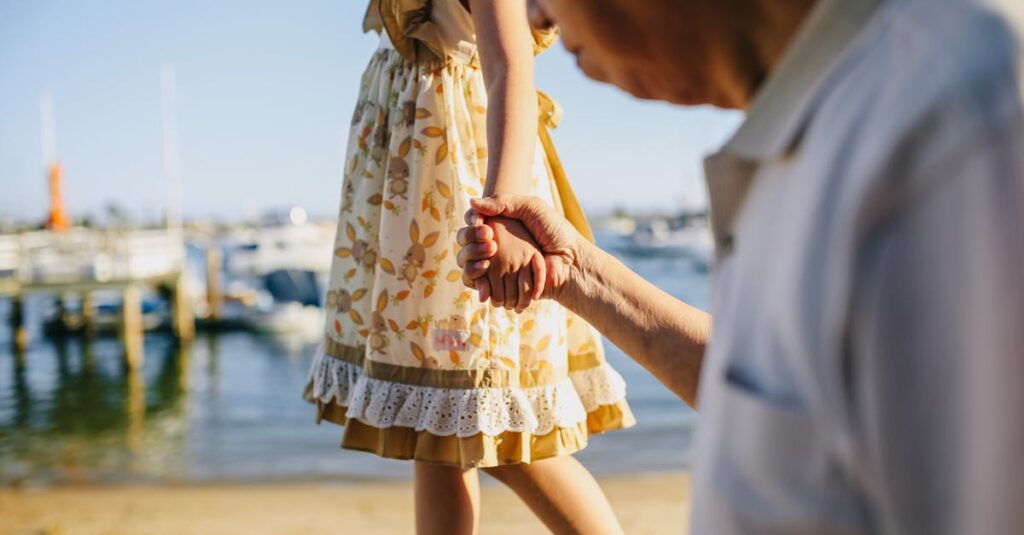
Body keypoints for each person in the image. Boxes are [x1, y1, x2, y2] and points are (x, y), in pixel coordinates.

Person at [458, 0, 1024, 532]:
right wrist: (578, 275)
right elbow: (799, 406)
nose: (534, 12)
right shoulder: (829, 116)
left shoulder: (957, 122)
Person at [303, 1, 635, 533]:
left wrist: (502, 208)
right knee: (432, 425)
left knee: (498, 418)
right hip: (409, 191)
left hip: (454, 182)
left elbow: (511, 68)